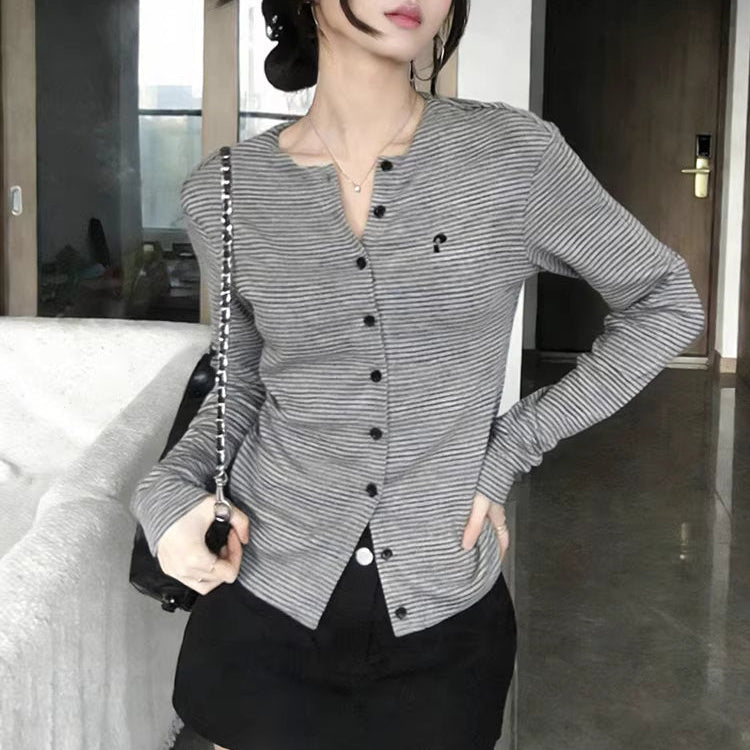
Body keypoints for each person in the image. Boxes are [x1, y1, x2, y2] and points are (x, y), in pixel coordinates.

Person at [129, 1, 705, 749]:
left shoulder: (512, 158)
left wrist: (510, 446)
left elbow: (666, 301)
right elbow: (242, 386)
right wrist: (163, 492)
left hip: (444, 620)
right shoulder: (226, 192)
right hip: (260, 604)